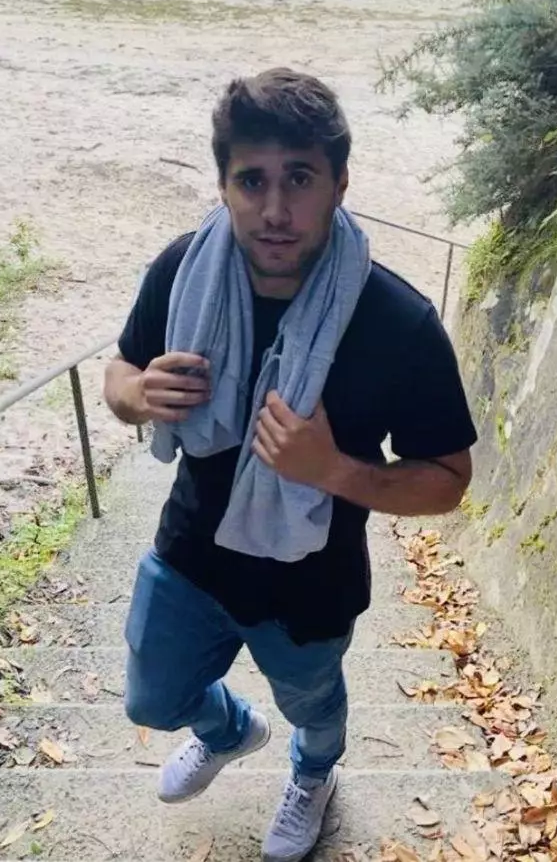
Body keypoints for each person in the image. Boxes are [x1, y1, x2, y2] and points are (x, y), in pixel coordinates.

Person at [101, 67, 477, 862]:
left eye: (299, 179)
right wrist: (138, 394)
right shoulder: (183, 271)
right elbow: (119, 374)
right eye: (253, 181)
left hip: (312, 584)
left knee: (314, 706)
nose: (275, 210)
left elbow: (449, 478)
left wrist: (333, 470)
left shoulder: (397, 323)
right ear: (224, 185)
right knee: (153, 698)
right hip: (190, 554)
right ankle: (229, 731)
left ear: (340, 184)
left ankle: (313, 774)